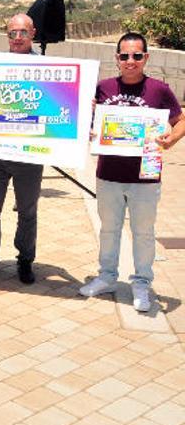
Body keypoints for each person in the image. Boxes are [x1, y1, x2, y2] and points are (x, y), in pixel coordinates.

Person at [79, 32, 184, 311]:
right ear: (117, 58)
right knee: (109, 230)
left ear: (145, 58)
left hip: (146, 176)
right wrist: (89, 127)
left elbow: (181, 120)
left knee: (143, 232)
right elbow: (86, 121)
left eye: (137, 55)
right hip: (108, 174)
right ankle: (106, 277)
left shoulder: (159, 90)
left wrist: (171, 139)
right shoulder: (103, 88)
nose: (130, 61)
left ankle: (141, 284)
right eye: (124, 56)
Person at [0, 13, 44, 284]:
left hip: (29, 153)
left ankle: (25, 261)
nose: (17, 38)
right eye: (12, 33)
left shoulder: (48, 68)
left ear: (33, 33)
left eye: (23, 33)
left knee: (28, 212)